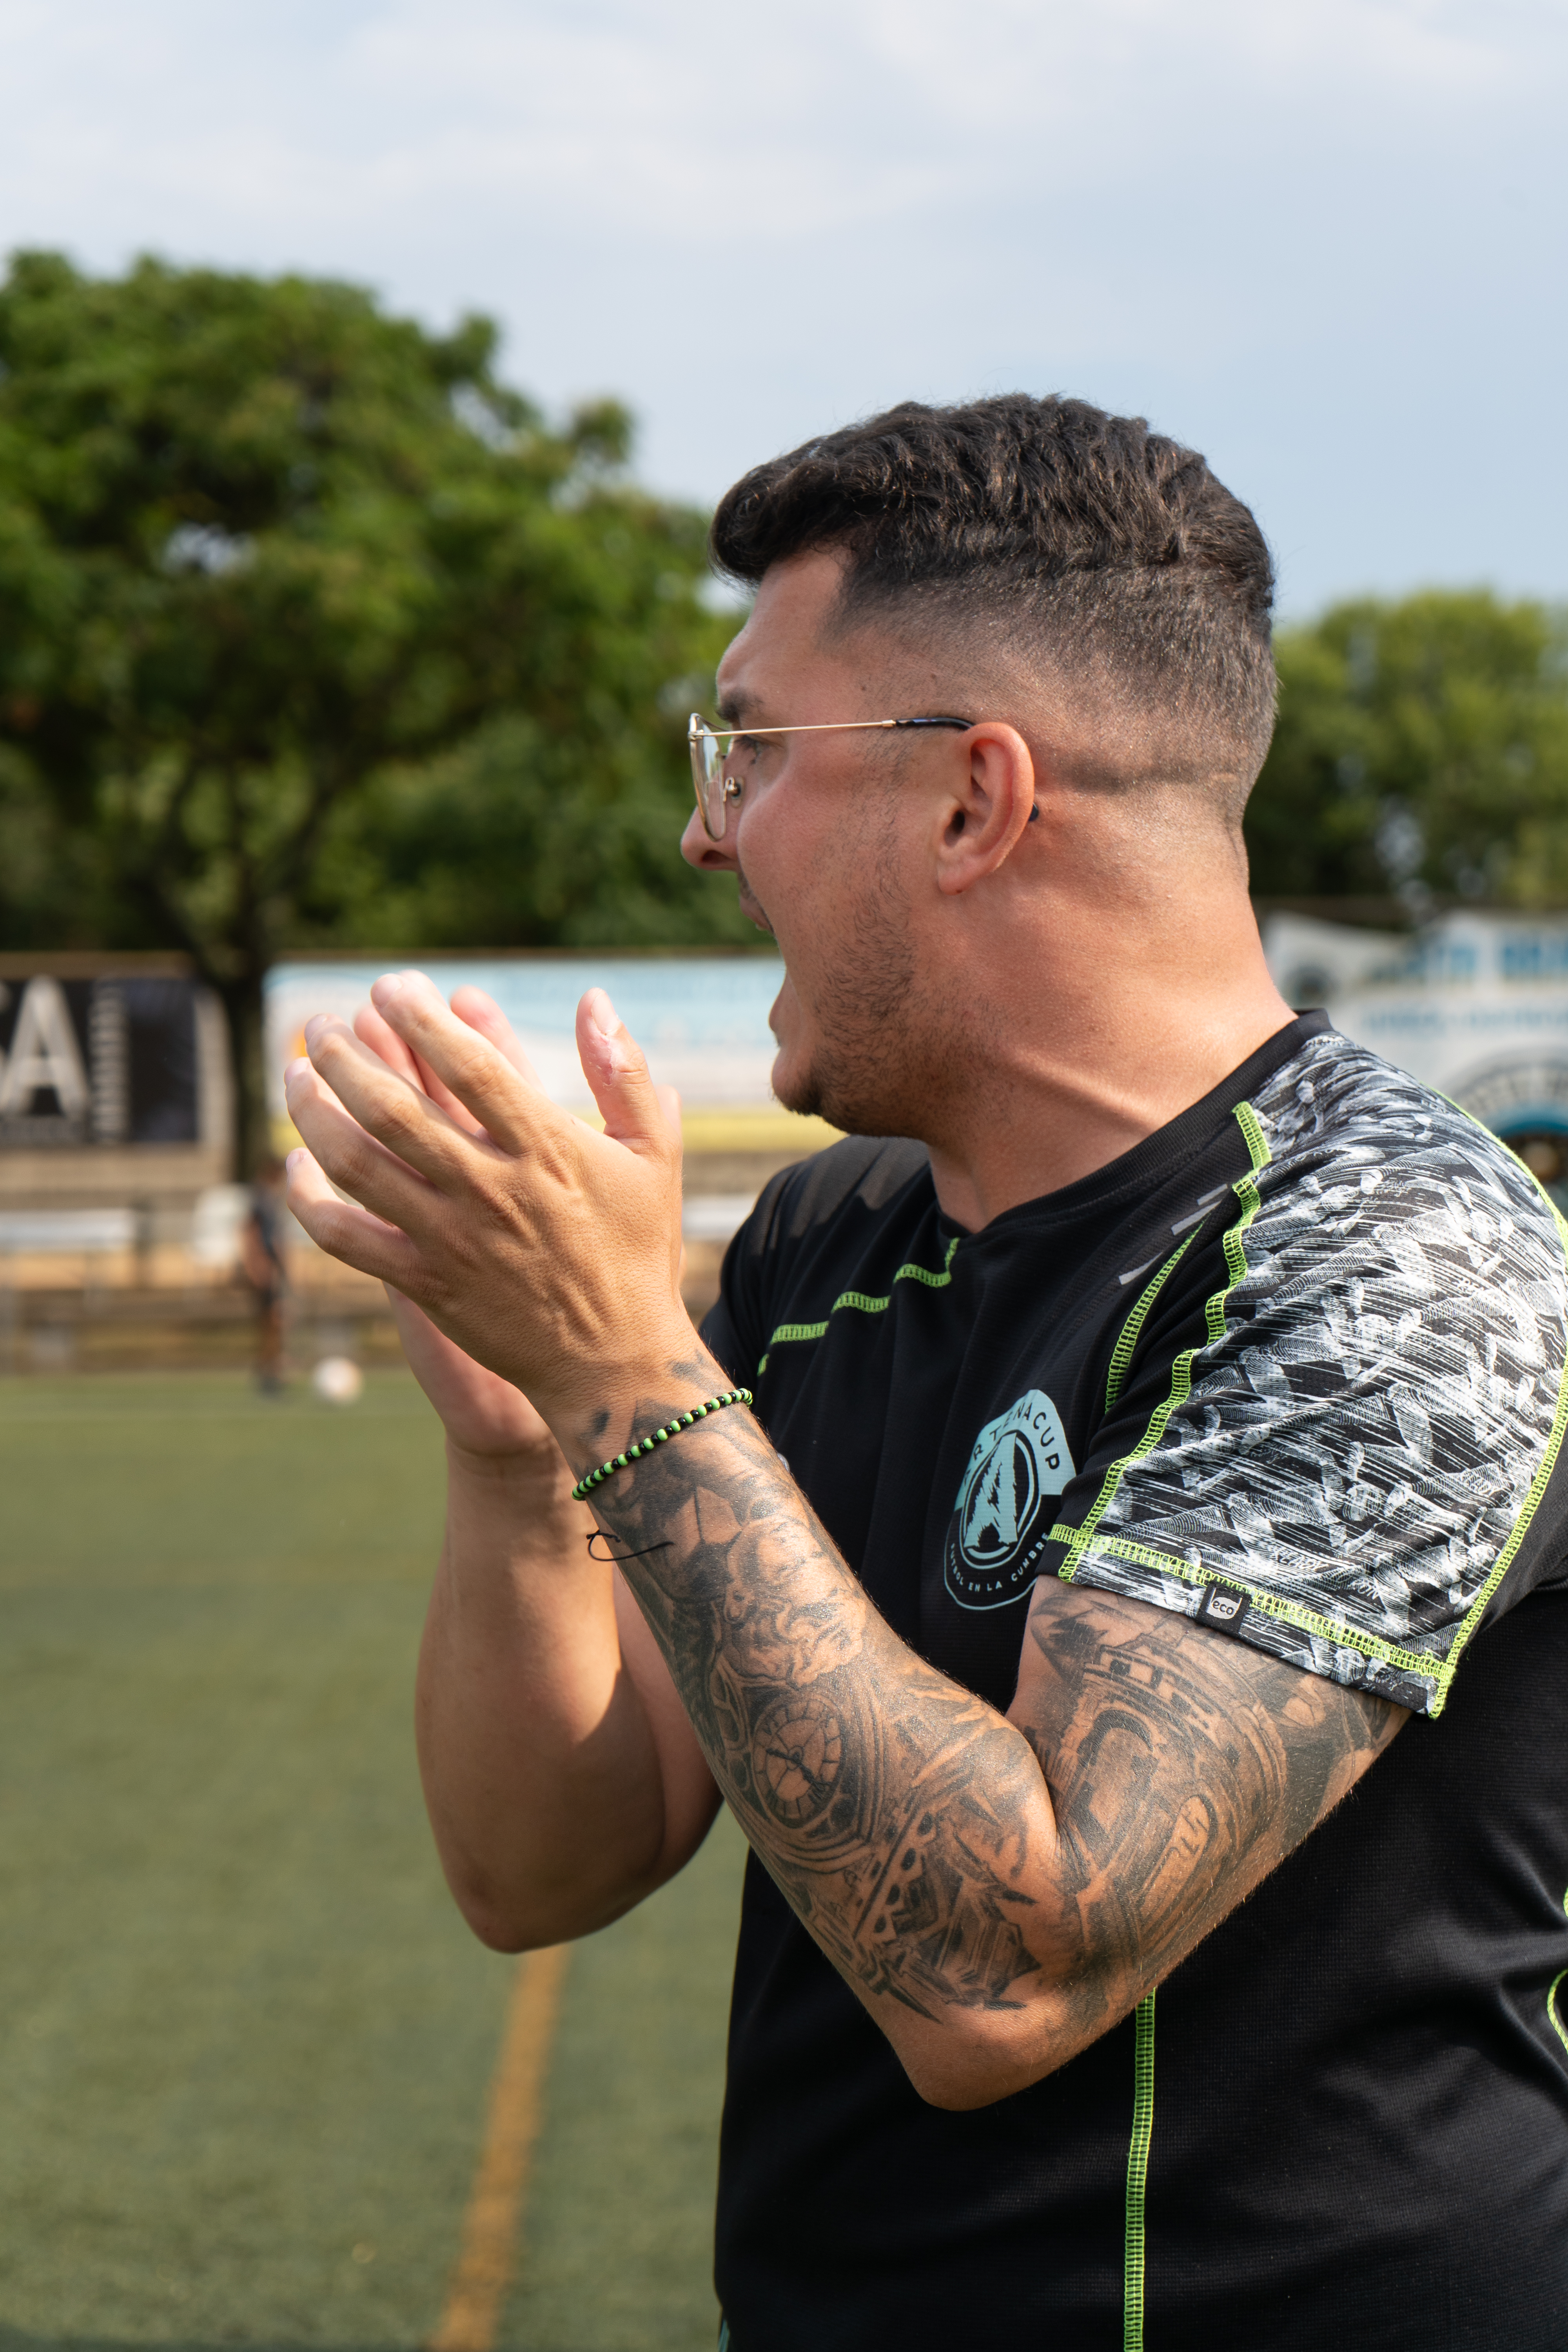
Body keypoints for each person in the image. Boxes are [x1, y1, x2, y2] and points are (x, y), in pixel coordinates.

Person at [282, 397, 1568, 2350]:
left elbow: (997, 1971)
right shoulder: (826, 1244)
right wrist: (511, 1457)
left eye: (750, 752)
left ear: (973, 800)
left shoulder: (1395, 1251)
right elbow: (544, 1862)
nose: (704, 832)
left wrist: (626, 1369)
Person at [240, 1154, 289, 1392]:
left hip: (274, 1267)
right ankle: (268, 1374)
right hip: (266, 1269)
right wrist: (254, 1265)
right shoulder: (261, 1197)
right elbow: (250, 1231)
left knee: (275, 1322)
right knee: (270, 1322)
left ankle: (273, 1371)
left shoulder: (271, 1197)